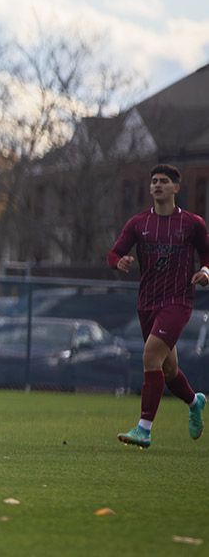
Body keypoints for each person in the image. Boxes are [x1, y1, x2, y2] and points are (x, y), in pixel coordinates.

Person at [108, 163, 209, 448]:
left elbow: (207, 252)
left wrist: (205, 272)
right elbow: (114, 253)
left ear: (176, 188)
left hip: (178, 301)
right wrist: (120, 261)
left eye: (164, 181)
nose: (157, 185)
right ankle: (194, 401)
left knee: (150, 356)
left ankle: (144, 429)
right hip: (147, 302)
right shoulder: (138, 223)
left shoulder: (192, 223)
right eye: (154, 181)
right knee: (168, 371)